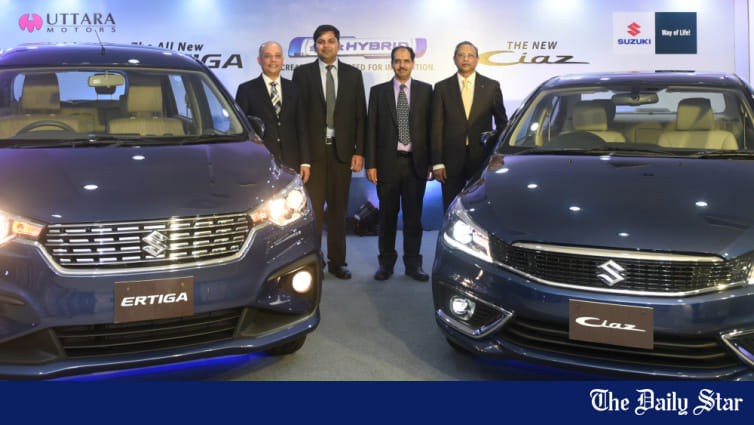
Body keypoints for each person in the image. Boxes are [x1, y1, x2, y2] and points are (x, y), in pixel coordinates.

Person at [293, 24, 366, 280]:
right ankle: (314, 262)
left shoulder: (353, 75)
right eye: (321, 41)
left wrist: (359, 151)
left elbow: (360, 116)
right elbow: (298, 118)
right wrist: (302, 157)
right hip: (313, 155)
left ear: (339, 44)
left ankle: (338, 262)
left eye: (331, 41)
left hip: (342, 153)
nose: (326, 45)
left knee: (338, 210)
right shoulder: (302, 74)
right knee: (312, 213)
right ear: (315, 46)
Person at [365, 46, 432, 282]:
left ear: (413, 63)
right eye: (397, 61)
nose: (401, 65)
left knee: (414, 219)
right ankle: (386, 265)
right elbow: (371, 130)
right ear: (392, 63)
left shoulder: (426, 91)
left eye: (406, 61)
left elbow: (431, 129)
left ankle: (413, 265)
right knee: (387, 218)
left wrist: (432, 162)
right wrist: (371, 164)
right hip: (387, 164)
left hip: (416, 164)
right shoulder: (378, 92)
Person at [431, 41, 508, 211]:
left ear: (477, 59)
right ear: (454, 59)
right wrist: (437, 162)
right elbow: (436, 127)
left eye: (470, 55)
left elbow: (502, 123)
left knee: (482, 207)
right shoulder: (442, 88)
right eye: (461, 55)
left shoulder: (491, 87)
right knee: (451, 207)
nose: (465, 59)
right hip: (450, 161)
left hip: (482, 159)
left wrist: (499, 154)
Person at [235, 41, 310, 182]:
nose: (273, 60)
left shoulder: (295, 88)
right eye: (268, 56)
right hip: (260, 160)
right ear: (259, 60)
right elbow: (242, 129)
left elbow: (302, 127)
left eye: (277, 56)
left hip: (292, 161)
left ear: (282, 60)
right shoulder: (246, 90)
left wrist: (305, 162)